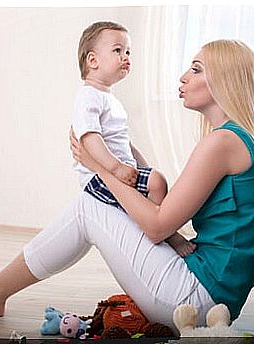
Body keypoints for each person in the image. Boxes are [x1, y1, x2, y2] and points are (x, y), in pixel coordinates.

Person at [0, 39, 254, 330]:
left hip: (194, 302)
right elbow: (168, 205)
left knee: (91, 205)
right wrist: (120, 155)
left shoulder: (221, 144)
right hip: (209, 296)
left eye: (195, 69)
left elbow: (158, 225)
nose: (183, 77)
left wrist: (99, 168)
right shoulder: (237, 141)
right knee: (97, 203)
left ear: (225, 81)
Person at [72, 21, 195, 257]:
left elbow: (123, 143)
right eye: (117, 50)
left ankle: (160, 228)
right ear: (93, 61)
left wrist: (142, 166)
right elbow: (89, 139)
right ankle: (165, 234)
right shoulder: (88, 96)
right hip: (98, 178)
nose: (125, 56)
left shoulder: (110, 99)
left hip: (116, 170)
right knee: (156, 182)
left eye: (128, 51)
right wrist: (116, 168)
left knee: (156, 180)